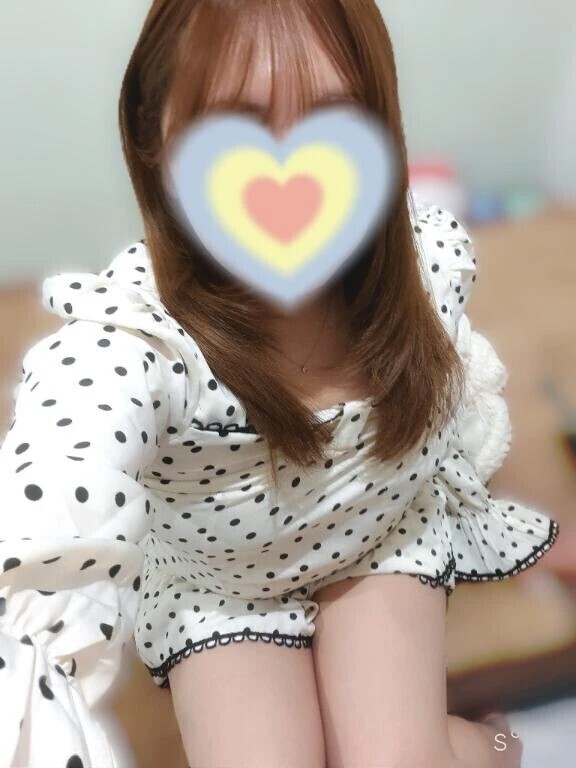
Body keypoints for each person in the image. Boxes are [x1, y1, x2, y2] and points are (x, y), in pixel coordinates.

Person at [0, 1, 557, 766]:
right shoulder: (135, 338)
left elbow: (448, 414)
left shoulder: (426, 263)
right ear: (154, 138)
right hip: (223, 584)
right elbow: (62, 459)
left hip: (377, 533)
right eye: (235, 125)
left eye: (333, 119)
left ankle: (494, 742)